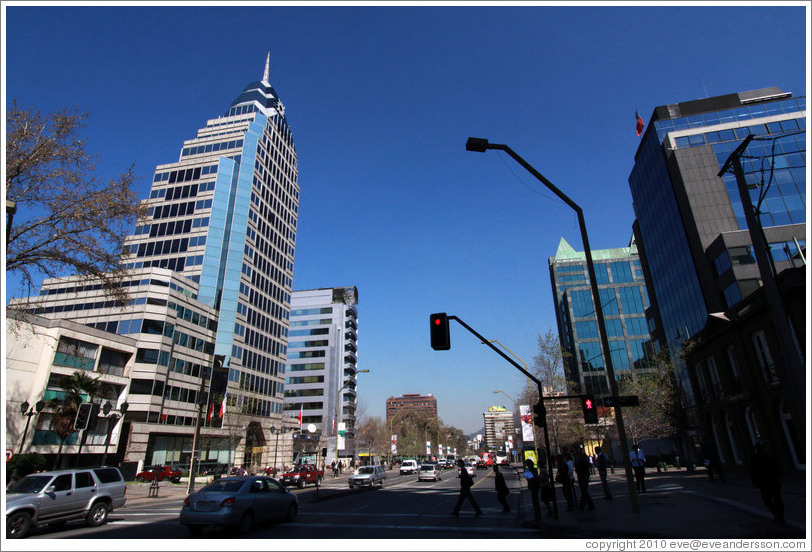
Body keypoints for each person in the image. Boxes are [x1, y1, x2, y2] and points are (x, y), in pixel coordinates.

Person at [748, 443, 785, 524]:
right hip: (773, 481)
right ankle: (780, 515)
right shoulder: (769, 457)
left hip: (763, 483)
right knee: (777, 499)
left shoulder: (754, 459)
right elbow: (777, 468)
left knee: (767, 500)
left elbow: (752, 471)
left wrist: (755, 481)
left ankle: (777, 514)